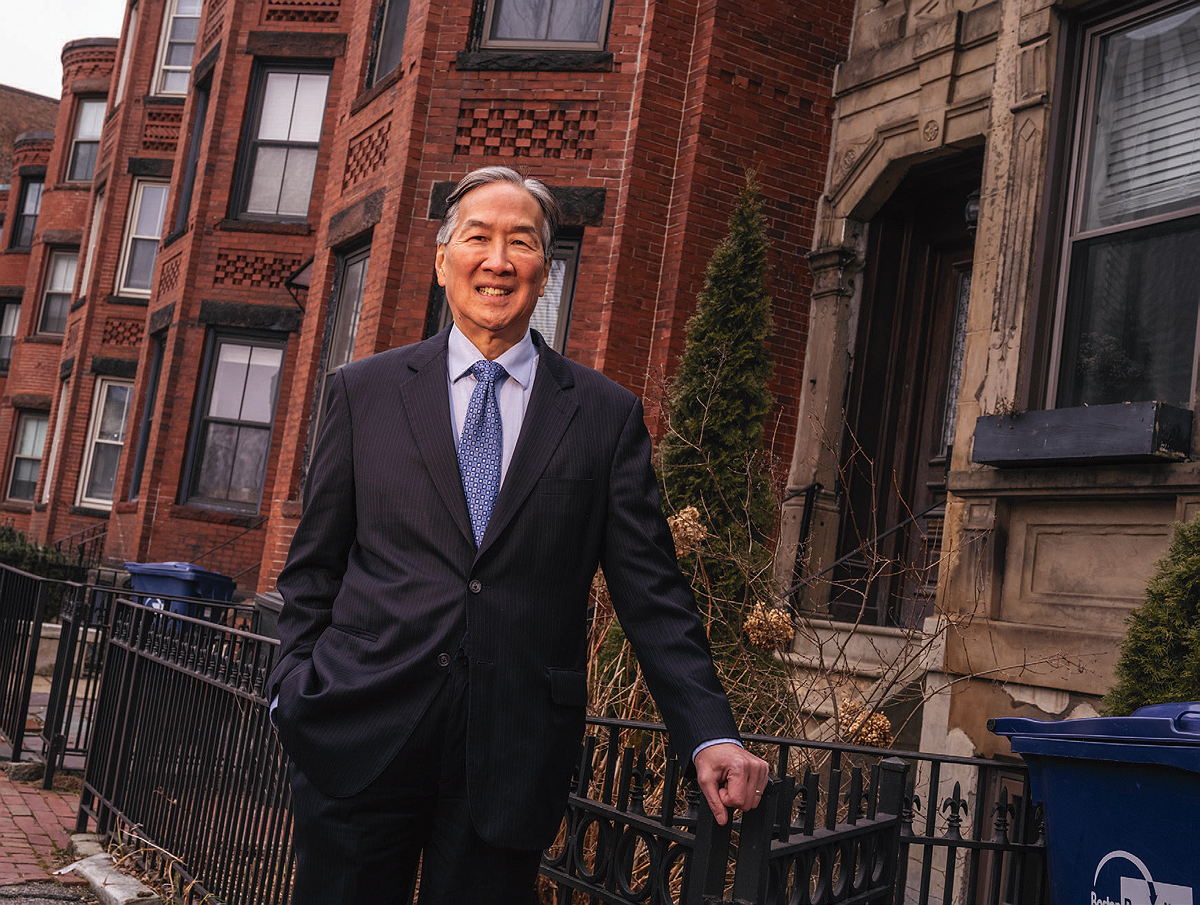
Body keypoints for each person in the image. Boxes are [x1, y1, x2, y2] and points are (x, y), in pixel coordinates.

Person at [269, 165, 769, 904]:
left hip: (510, 757)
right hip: (358, 736)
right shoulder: (362, 392)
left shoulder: (603, 416)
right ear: (443, 260)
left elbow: (654, 596)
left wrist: (710, 730)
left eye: (522, 242)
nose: (497, 259)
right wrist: (292, 689)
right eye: (478, 237)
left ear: (547, 270)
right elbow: (313, 569)